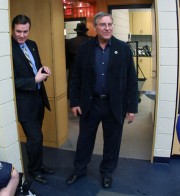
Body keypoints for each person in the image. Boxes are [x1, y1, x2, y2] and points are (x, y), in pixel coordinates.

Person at [66, 12, 138, 188]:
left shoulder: (123, 49)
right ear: (96, 27)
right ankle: (79, 170)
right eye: (103, 25)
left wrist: (131, 107)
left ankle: (107, 172)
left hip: (114, 105)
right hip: (90, 104)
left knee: (112, 142)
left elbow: (131, 80)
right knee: (84, 140)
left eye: (110, 24)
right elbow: (76, 77)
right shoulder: (85, 49)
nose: (107, 28)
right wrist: (74, 102)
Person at [11, 14, 54, 185]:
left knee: (38, 137)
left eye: (25, 31)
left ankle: (39, 165)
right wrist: (33, 81)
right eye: (18, 31)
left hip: (38, 99)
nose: (22, 35)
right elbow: (9, 80)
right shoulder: (7, 48)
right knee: (35, 138)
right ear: (12, 29)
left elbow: (36, 67)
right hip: (24, 103)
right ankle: (34, 171)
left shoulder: (32, 44)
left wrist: (43, 71)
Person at [65, 23, 92, 98]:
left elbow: (67, 57)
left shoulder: (70, 42)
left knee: (74, 87)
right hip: (89, 67)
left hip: (74, 67)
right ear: (85, 31)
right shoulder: (91, 40)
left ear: (77, 31)